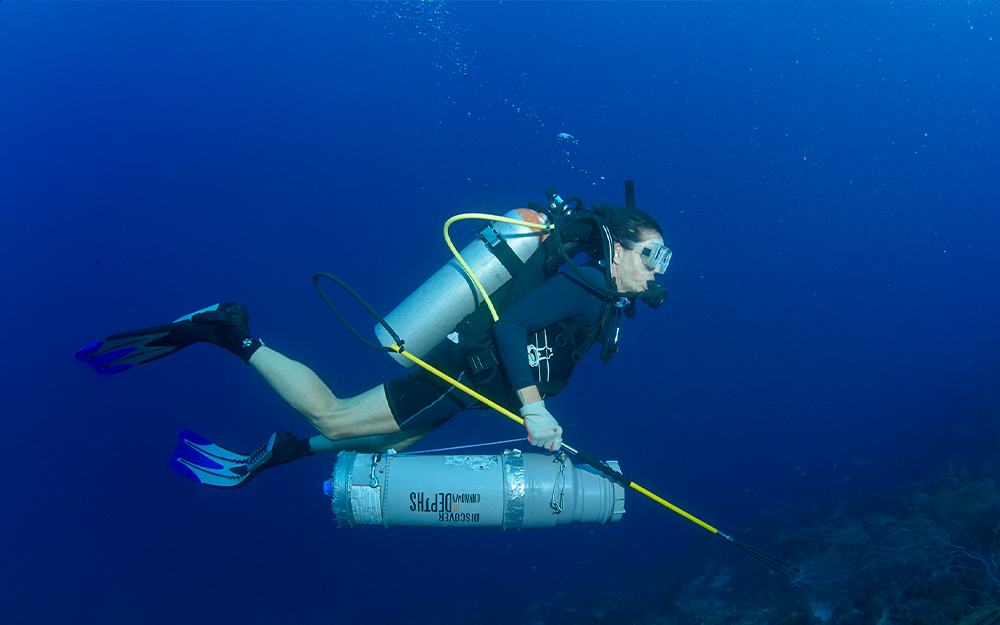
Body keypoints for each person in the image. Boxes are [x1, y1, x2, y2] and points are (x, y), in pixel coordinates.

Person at [76, 203, 669, 487]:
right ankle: (233, 332)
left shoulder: (602, 303)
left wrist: (532, 407)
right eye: (650, 254)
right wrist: (535, 408)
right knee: (334, 419)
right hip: (458, 373)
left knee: (393, 442)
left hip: (469, 389)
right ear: (617, 247)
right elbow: (512, 330)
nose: (657, 268)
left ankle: (287, 450)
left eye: (662, 258)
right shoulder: (589, 289)